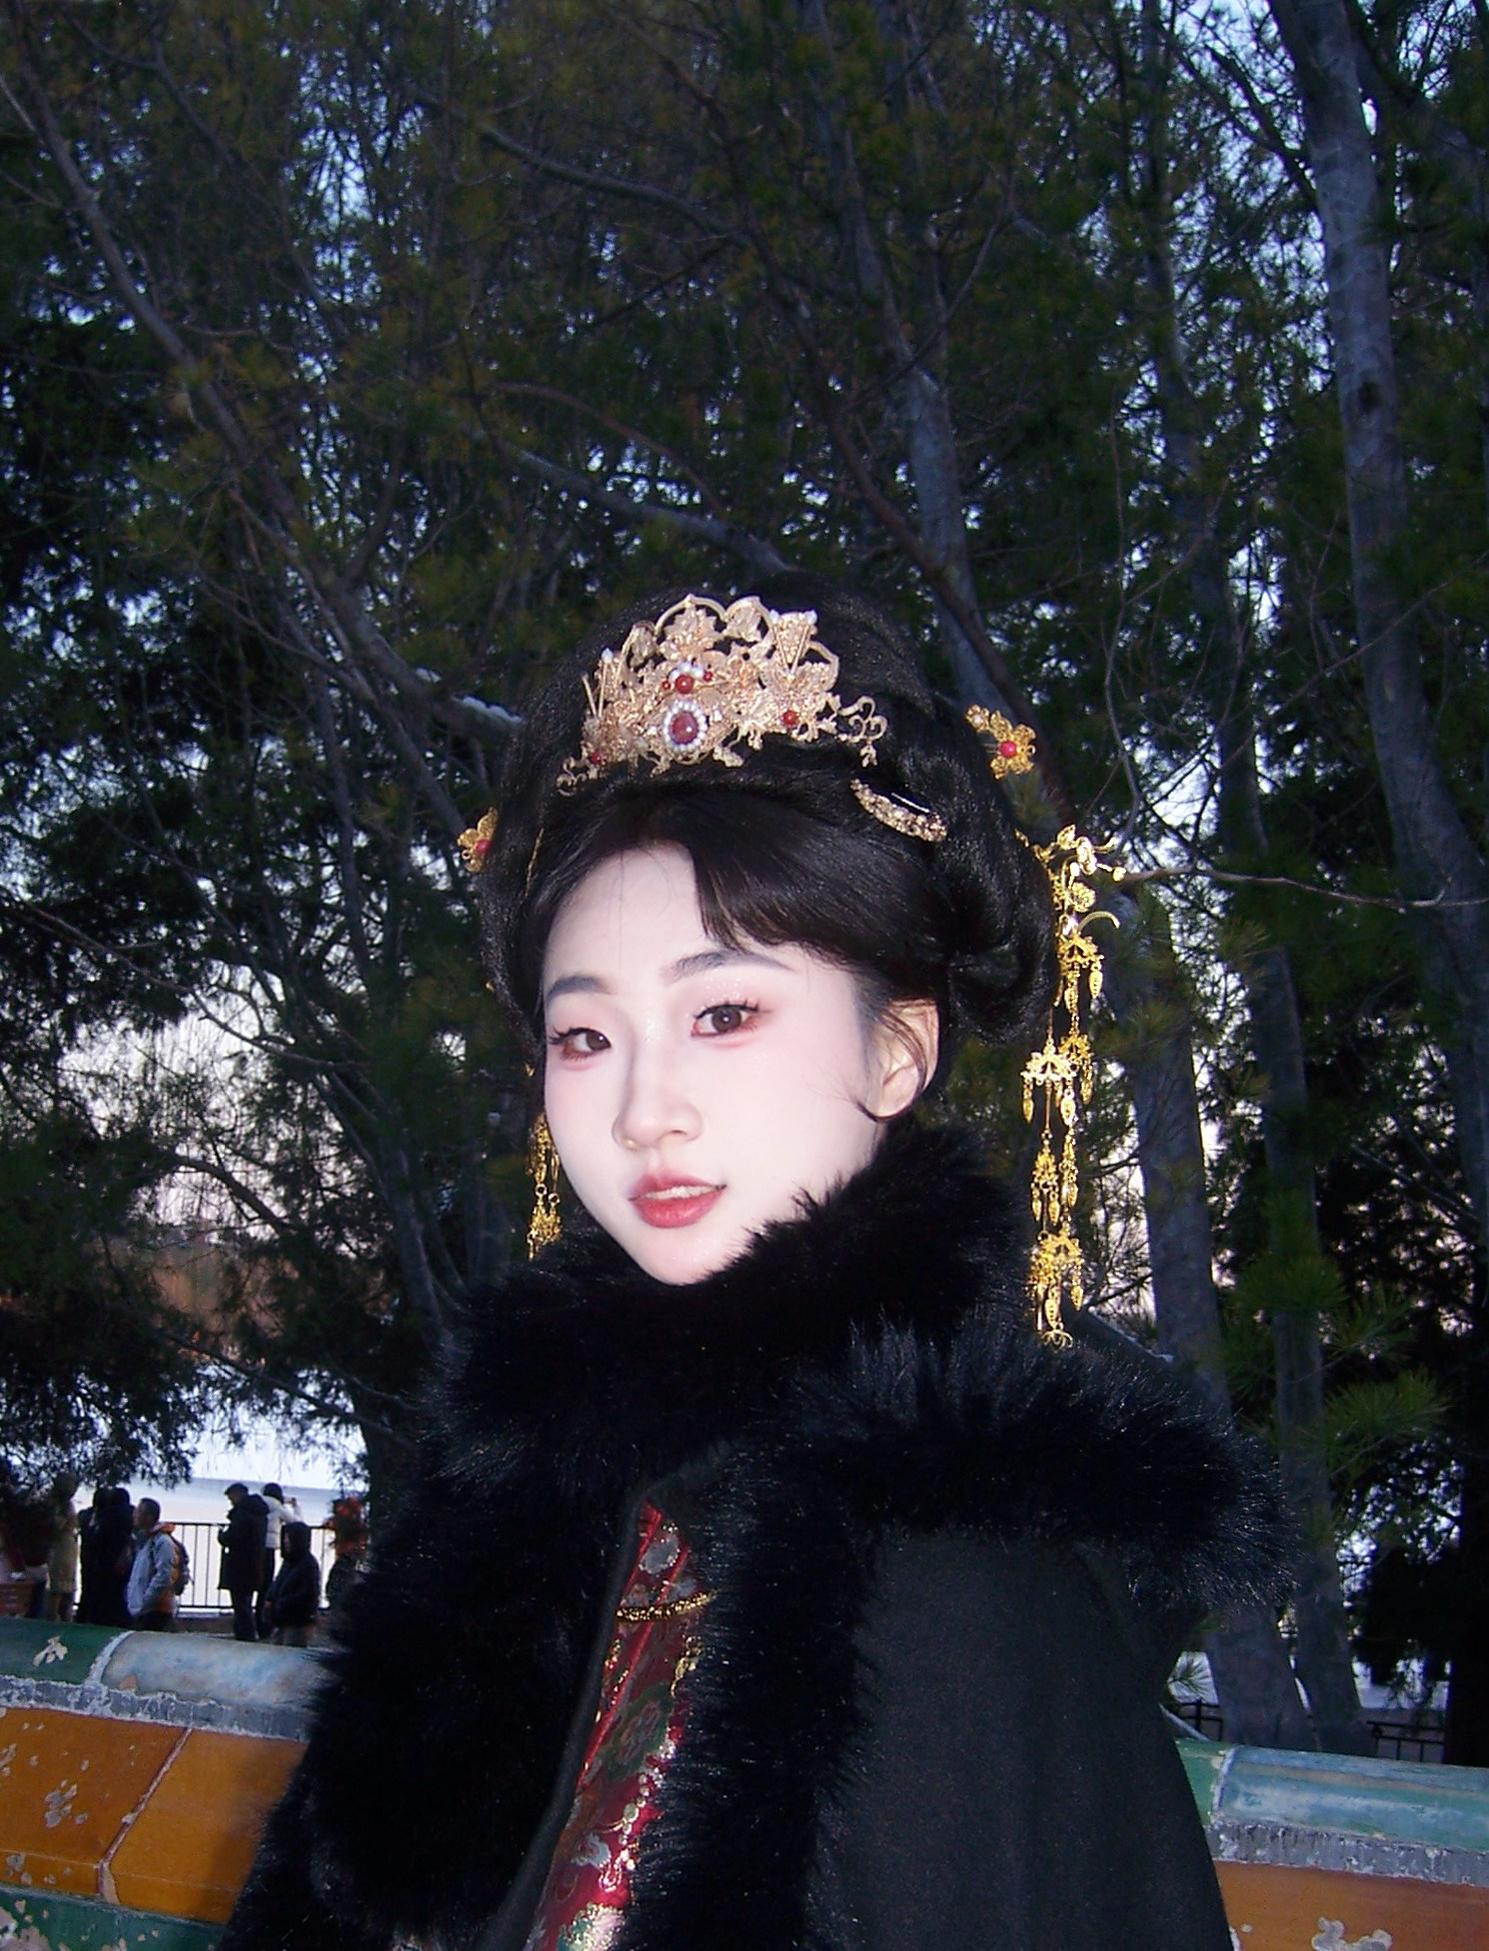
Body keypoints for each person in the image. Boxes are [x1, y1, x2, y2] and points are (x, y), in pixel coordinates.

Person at [221, 585, 1292, 1951]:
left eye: (723, 1011)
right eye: (586, 1036)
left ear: (896, 1048)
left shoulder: (956, 1570)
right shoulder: (535, 1489)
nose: (642, 1109)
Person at [218, 1483, 268, 1643]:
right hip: (255, 1563)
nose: (231, 1501)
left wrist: (221, 1535)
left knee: (240, 1604)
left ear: (238, 1494)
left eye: (231, 1497)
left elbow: (231, 1538)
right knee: (246, 1601)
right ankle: (246, 1634)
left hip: (239, 1565)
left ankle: (245, 1635)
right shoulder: (260, 1514)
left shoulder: (242, 1515)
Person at [77, 1486, 133, 1627]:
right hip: (124, 1562)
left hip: (103, 1561)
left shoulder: (106, 1517)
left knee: (96, 1594)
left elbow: (95, 1539)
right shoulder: (131, 1517)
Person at [264, 1523, 322, 1648]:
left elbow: (308, 1592)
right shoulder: (289, 1562)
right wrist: (270, 1597)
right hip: (282, 1617)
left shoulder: (308, 1564)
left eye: (288, 1538)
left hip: (297, 1619)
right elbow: (278, 1581)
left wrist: (283, 1602)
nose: (286, 1542)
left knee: (290, 1648)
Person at [124, 1498, 178, 1632]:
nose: (134, 1515)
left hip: (156, 1609)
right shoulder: (146, 1540)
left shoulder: (161, 1542)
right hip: (145, 1608)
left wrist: (145, 1601)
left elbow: (164, 1575)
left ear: (148, 1517)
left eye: (138, 1512)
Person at [321, 1494, 367, 1609]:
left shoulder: (342, 1518)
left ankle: (336, 1603)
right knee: (345, 1578)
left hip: (346, 1553)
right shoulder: (356, 1520)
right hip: (353, 1553)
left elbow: (330, 1524)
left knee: (337, 1580)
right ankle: (341, 1603)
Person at [44, 1473, 79, 1624]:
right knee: (61, 1590)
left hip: (63, 1549)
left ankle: (57, 1620)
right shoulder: (64, 1506)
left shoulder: (61, 1506)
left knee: (59, 1590)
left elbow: (56, 1526)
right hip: (64, 1549)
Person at [257, 1484, 289, 1638]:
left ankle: (253, 1623)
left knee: (254, 1585)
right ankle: (264, 1625)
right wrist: (295, 1507)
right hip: (270, 1548)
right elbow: (296, 1521)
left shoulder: (257, 1503)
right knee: (266, 1587)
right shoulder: (279, 1507)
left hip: (255, 1546)